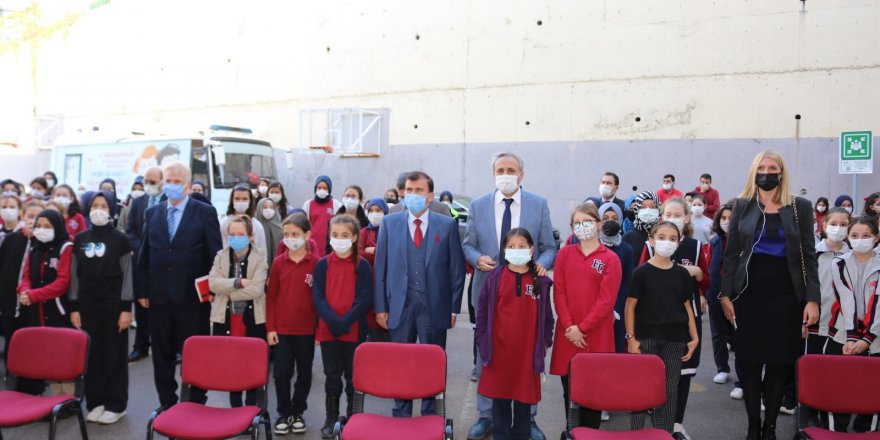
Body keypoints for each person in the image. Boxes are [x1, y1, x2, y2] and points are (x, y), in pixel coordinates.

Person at [720, 149, 820, 440]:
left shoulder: (800, 206)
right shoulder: (742, 205)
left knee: (779, 364)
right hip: (748, 295)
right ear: (754, 172)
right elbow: (731, 254)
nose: (766, 172)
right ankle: (753, 427)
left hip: (787, 296)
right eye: (761, 168)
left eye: (772, 168)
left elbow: (809, 256)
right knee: (749, 363)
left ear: (781, 172)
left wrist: (812, 299)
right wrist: (724, 295)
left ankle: (771, 427)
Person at [462, 152, 556, 440]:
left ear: (521, 174)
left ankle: (529, 419)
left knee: (526, 356)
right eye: (500, 170)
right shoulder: (478, 205)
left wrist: (542, 264)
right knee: (488, 354)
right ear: (493, 174)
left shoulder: (538, 204)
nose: (506, 174)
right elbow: (468, 244)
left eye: (511, 170)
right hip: (489, 290)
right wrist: (477, 259)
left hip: (528, 292)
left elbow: (549, 247)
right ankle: (486, 415)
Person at [373, 171, 465, 419]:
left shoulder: (446, 225)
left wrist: (454, 308)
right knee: (400, 361)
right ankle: (401, 414)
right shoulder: (390, 223)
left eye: (419, 190)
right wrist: (381, 306)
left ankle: (430, 415)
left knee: (431, 362)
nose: (413, 195)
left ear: (430, 196)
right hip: (399, 306)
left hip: (434, 306)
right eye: (409, 190)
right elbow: (380, 269)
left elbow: (456, 270)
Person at [137, 161, 223, 409]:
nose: (172, 185)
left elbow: (215, 254)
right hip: (159, 297)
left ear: (187, 184)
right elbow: (144, 254)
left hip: (193, 299)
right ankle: (167, 403)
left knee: (195, 352)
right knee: (161, 353)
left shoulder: (204, 212)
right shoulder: (152, 213)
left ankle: (195, 402)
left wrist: (213, 289)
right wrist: (142, 290)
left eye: (177, 181)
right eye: (168, 181)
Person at [641, 197, 710, 439]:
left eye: (677, 215)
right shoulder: (651, 245)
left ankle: (676, 422)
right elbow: (638, 281)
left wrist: (697, 272)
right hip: (654, 319)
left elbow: (707, 280)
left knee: (683, 372)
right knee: (656, 370)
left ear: (687, 218)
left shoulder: (696, 246)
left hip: (685, 320)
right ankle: (655, 420)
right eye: (668, 214)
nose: (672, 219)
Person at [476, 228, 554, 440]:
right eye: (511, 246)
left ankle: (522, 435)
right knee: (500, 403)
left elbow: (547, 317)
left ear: (531, 250)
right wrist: (483, 341)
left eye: (522, 246)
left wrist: (545, 342)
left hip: (527, 354)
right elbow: (482, 314)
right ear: (504, 250)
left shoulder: (540, 281)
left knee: (523, 404)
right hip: (499, 353)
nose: (516, 250)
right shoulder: (495, 277)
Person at [550, 204, 621, 431]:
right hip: (568, 335)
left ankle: (590, 434)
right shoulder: (564, 254)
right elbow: (559, 293)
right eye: (577, 223)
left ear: (598, 224)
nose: (583, 226)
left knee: (593, 395)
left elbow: (606, 301)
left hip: (596, 335)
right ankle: (572, 433)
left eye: (587, 221)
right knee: (570, 392)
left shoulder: (610, 259)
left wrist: (583, 328)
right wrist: (570, 326)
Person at [626, 221, 700, 435]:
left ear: (678, 243)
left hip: (675, 339)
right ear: (651, 240)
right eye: (661, 237)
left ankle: (663, 434)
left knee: (669, 389)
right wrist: (631, 338)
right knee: (642, 387)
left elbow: (687, 306)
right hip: (646, 338)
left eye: (672, 238)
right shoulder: (641, 272)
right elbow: (630, 306)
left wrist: (694, 337)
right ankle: (636, 434)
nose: (667, 242)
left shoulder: (682, 274)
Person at [68, 190, 133, 424]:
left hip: (113, 306)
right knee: (91, 355)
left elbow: (127, 274)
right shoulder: (80, 239)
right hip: (87, 306)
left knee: (114, 354)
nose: (98, 210)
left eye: (104, 206)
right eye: (95, 205)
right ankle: (95, 402)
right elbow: (74, 276)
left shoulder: (120, 239)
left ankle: (116, 404)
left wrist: (126, 308)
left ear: (112, 210)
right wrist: (74, 307)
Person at [312, 215, 373, 438]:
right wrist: (333, 320)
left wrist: (345, 321)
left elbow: (365, 298)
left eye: (345, 235)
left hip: (353, 329)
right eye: (335, 235)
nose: (339, 239)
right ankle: (331, 418)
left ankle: (353, 417)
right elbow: (318, 296)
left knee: (353, 377)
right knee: (332, 376)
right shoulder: (322, 264)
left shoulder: (362, 265)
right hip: (329, 329)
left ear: (354, 237)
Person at [208, 215, 269, 408]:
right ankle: (235, 408)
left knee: (251, 365)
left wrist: (225, 292)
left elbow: (256, 290)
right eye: (232, 234)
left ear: (251, 236)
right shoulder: (220, 256)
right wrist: (238, 282)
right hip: (226, 319)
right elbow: (212, 284)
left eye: (241, 234)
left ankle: (252, 408)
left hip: (252, 319)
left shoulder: (260, 258)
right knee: (231, 365)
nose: (236, 238)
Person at [267, 213, 318, 435]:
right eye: (286, 234)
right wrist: (271, 328)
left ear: (307, 235)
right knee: (281, 373)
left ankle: (298, 411)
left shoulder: (317, 264)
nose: (290, 238)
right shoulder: (278, 263)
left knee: (304, 373)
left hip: (307, 330)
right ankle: (283, 412)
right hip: (282, 330)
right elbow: (271, 298)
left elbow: (320, 299)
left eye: (295, 234)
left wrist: (319, 330)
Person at [801, 207, 850, 429]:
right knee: (812, 372)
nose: (838, 229)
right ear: (824, 226)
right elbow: (804, 289)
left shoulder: (853, 255)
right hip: (815, 324)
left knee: (836, 374)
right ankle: (808, 417)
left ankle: (830, 418)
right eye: (834, 224)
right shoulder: (814, 254)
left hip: (841, 328)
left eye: (844, 224)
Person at [831, 215, 879, 433]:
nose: (860, 240)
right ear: (848, 238)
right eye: (855, 235)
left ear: (876, 237)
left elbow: (878, 303)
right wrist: (852, 337)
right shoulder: (839, 263)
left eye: (866, 235)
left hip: (876, 333)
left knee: (873, 383)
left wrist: (868, 338)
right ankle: (837, 430)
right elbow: (845, 298)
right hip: (847, 331)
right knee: (843, 381)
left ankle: (867, 430)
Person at [125, 165, 163, 363]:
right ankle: (140, 346)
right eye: (145, 181)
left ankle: (164, 347)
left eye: (152, 182)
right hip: (140, 262)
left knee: (161, 308)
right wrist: (141, 248)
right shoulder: (138, 202)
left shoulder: (169, 201)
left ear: (162, 182)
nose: (148, 185)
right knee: (140, 307)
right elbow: (130, 230)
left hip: (161, 263)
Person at [705, 204, 744, 400]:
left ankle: (742, 381)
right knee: (718, 333)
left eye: (731, 218)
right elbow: (709, 268)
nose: (727, 222)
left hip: (738, 294)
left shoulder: (745, 242)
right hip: (715, 292)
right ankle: (722, 368)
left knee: (740, 336)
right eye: (723, 218)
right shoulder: (715, 242)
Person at [0, 200, 42, 362]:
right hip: (9, 302)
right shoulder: (11, 239)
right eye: (30, 216)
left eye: (37, 217)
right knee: (12, 340)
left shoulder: (44, 243)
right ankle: (10, 372)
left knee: (31, 342)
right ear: (22, 216)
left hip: (32, 303)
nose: (33, 220)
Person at [359, 198, 390, 342]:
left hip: (387, 281)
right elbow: (360, 254)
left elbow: (391, 254)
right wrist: (380, 253)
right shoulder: (363, 232)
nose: (374, 214)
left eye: (378, 210)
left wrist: (373, 251)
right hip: (369, 280)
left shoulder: (390, 230)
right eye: (371, 210)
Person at [302, 176, 342, 257]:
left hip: (330, 243)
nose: (322, 190)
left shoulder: (336, 204)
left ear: (329, 190)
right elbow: (303, 225)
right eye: (319, 188)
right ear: (315, 189)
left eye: (325, 188)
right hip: (312, 242)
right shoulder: (308, 204)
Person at [220, 184, 267, 253]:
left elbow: (262, 250)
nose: (240, 202)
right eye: (237, 198)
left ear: (250, 201)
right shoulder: (224, 223)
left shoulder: (257, 225)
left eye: (244, 199)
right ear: (232, 200)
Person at [388, 172, 452, 217]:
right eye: (402, 197)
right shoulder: (394, 210)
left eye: (418, 190)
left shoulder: (441, 209)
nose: (411, 197)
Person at [622, 191, 659, 259]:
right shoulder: (628, 237)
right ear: (637, 210)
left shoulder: (663, 235)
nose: (648, 211)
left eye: (652, 207)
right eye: (643, 207)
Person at [256, 197, 283, 263]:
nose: (268, 210)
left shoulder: (280, 228)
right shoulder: (255, 226)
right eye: (265, 207)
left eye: (271, 207)